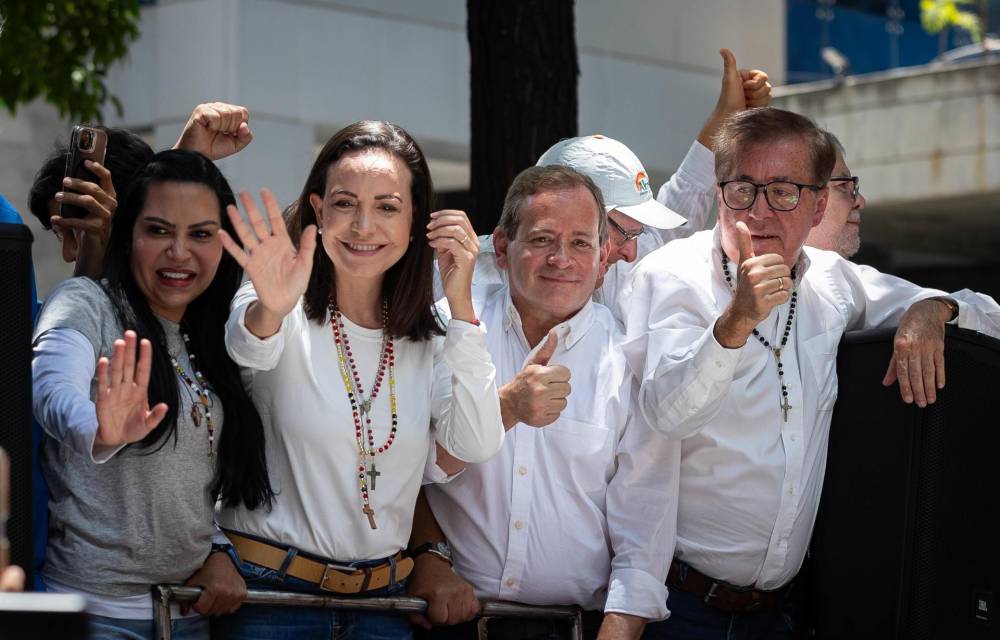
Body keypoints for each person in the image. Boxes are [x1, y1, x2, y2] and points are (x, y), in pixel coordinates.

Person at [618, 107, 1000, 639]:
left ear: (820, 204)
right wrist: (735, 322)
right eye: (742, 190)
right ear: (720, 190)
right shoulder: (670, 275)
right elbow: (668, 413)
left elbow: (986, 311)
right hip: (678, 607)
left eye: (784, 191)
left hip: (785, 612)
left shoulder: (834, 280)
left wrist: (933, 311)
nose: (759, 212)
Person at [212, 120, 504, 640]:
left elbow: (474, 441)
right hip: (272, 597)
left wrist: (461, 307)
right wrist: (271, 308)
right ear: (319, 211)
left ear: (415, 223)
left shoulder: (428, 335)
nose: (363, 226)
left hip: (382, 605)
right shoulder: (278, 303)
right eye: (345, 204)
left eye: (388, 208)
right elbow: (247, 346)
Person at [413, 165, 678, 640]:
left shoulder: (631, 363)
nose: (561, 258)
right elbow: (406, 468)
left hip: (575, 628)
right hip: (450, 623)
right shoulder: (445, 329)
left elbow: (645, 524)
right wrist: (507, 409)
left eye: (580, 243)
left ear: (603, 261)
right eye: (541, 239)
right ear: (500, 247)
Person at [31, 150, 272, 639]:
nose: (179, 252)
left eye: (200, 235)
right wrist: (98, 429)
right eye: (159, 231)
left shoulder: (208, 335)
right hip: (94, 617)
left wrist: (219, 549)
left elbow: (194, 484)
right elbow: (50, 390)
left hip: (187, 617)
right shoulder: (86, 302)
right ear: (129, 236)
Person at [444, 49, 772, 313]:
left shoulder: (625, 253)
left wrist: (731, 121)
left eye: (636, 230)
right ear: (504, 247)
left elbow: (686, 194)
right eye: (618, 231)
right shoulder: (459, 281)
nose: (631, 252)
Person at [27, 102, 253, 279]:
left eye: (200, 234)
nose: (179, 254)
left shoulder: (220, 315)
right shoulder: (66, 320)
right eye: (61, 234)